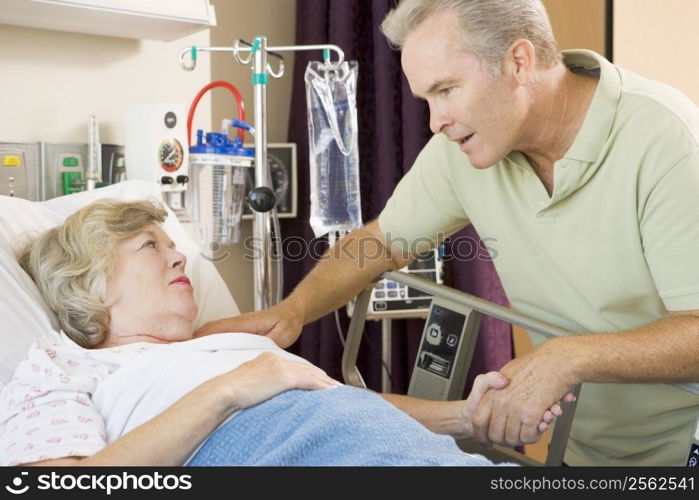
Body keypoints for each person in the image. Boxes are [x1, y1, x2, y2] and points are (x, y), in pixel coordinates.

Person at [196, 0, 699, 466]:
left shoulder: (664, 139)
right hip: (587, 452)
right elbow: (379, 244)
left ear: (519, 63)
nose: (436, 122)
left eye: (446, 90)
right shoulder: (462, 153)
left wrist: (570, 355)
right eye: (424, 98)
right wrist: (292, 312)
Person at [0, 198, 566, 467]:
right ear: (91, 284)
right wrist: (228, 391)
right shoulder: (64, 365)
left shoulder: (219, 345)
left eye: (176, 247)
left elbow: (339, 403)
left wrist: (465, 416)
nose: (178, 259)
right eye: (152, 246)